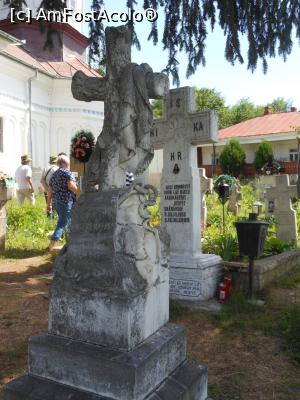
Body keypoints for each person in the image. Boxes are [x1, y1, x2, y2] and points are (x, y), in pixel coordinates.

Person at [47, 154, 77, 251]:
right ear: (65, 163)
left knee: (67, 222)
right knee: (62, 223)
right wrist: (80, 192)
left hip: (56, 202)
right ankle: (51, 246)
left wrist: (49, 204)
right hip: (65, 202)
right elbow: (71, 186)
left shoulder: (54, 174)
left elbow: (50, 190)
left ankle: (70, 242)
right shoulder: (67, 172)